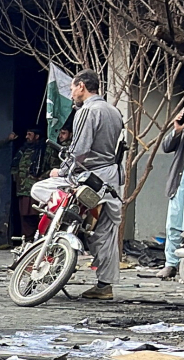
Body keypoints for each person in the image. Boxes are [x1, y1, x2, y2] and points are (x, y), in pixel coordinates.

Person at [29, 69, 126, 300]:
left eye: (72, 88)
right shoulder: (114, 111)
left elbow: (79, 151)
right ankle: (105, 286)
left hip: (87, 178)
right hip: (110, 179)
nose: (71, 93)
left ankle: (60, 232)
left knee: (39, 188)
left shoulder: (88, 110)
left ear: (81, 86)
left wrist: (60, 170)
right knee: (105, 234)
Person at [156, 109, 184, 279]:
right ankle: (171, 264)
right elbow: (166, 146)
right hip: (181, 179)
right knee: (174, 223)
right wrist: (177, 130)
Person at [10, 126, 48, 240]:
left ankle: (41, 239)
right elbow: (14, 166)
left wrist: (42, 177)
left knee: (38, 214)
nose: (27, 137)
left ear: (37, 136)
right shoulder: (23, 150)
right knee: (25, 216)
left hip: (38, 189)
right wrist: (16, 177)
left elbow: (54, 168)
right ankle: (27, 239)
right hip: (23, 189)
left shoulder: (45, 150)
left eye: (30, 134)